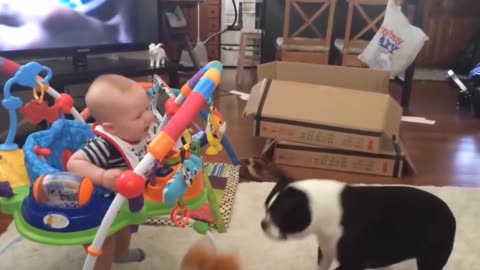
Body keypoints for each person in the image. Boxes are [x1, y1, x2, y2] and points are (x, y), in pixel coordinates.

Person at [66, 74, 157, 270]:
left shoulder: (140, 133)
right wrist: (103, 176)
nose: (149, 117)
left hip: (118, 202)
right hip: (95, 204)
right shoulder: (105, 145)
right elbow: (74, 164)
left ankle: (121, 254)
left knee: (123, 228)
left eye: (148, 109)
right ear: (111, 128)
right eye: (139, 116)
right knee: (102, 244)